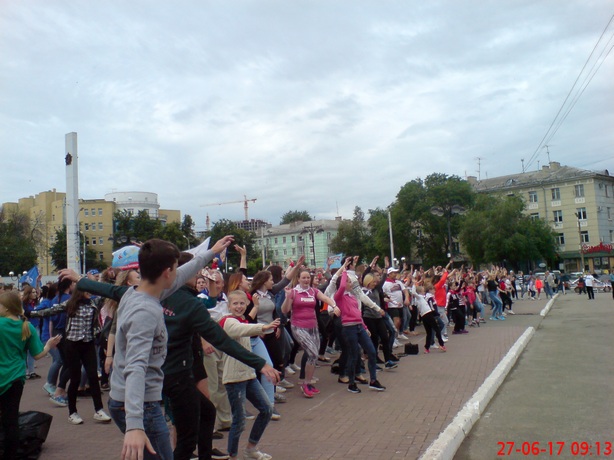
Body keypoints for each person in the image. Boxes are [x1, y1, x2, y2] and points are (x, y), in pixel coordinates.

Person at [97, 236, 233, 460]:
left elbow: (182, 275)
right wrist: (134, 425)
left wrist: (210, 253)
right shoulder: (145, 310)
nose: (179, 273)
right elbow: (136, 366)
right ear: (166, 272)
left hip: (133, 402)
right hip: (141, 408)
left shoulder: (139, 292)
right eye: (175, 267)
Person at [0, 291, 61, 460]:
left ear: (5, 308)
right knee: (11, 420)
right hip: (15, 378)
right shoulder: (26, 326)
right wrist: (49, 345)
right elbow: (38, 355)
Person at [221, 290, 279, 460]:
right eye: (235, 304)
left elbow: (246, 325)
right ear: (228, 306)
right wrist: (263, 326)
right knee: (239, 421)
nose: (238, 307)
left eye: (241, 303)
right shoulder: (227, 322)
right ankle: (232, 455)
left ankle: (251, 449)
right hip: (233, 378)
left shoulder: (243, 319)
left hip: (249, 375)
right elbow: (241, 329)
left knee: (267, 409)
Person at [62, 288, 112, 425]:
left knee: (93, 376)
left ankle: (99, 409)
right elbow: (51, 310)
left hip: (88, 342)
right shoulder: (70, 304)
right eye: (86, 290)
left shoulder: (93, 303)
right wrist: (31, 314)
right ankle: (72, 412)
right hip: (72, 343)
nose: (89, 292)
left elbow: (106, 293)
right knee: (75, 378)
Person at [333, 264, 386, 394]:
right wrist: (345, 271)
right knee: (353, 355)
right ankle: (351, 383)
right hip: (348, 328)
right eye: (349, 282)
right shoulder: (338, 297)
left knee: (371, 351)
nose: (351, 284)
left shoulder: (352, 297)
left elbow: (357, 313)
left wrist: (364, 326)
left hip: (358, 326)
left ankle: (373, 381)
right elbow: (340, 287)